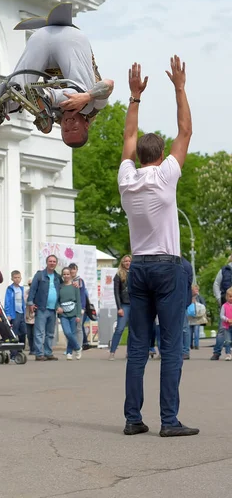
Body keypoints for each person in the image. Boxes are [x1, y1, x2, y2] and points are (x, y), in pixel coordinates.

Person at [118, 56, 199, 437]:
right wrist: (179, 87)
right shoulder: (167, 175)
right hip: (168, 267)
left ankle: (133, 419)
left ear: (139, 158)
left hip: (139, 268)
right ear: (162, 153)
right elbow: (186, 130)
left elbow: (127, 139)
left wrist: (135, 98)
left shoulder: (127, 180)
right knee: (170, 346)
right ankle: (169, 421)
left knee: (137, 349)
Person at [0, 3, 114, 147]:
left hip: (40, 37)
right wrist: (87, 96)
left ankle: (1, 107)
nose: (69, 124)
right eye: (74, 128)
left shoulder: (53, 115)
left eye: (66, 129)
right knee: (84, 101)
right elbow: (109, 85)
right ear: (86, 125)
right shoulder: (94, 108)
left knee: (17, 89)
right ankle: (46, 95)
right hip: (70, 39)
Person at [28, 254, 62, 361]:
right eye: (50, 261)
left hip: (53, 309)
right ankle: (39, 354)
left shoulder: (57, 277)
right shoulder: (39, 275)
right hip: (42, 308)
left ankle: (48, 352)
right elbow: (33, 289)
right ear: (46, 263)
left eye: (54, 262)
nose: (52, 263)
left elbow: (63, 288)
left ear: (56, 263)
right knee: (39, 332)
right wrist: (30, 303)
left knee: (50, 333)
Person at [108, 255, 131, 360]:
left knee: (133, 330)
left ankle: (130, 352)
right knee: (120, 329)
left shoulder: (135, 274)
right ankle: (112, 352)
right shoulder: (118, 275)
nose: (127, 263)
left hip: (135, 305)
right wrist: (119, 307)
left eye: (129, 261)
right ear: (122, 263)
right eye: (125, 261)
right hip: (124, 305)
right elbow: (116, 292)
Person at [57, 267, 82, 360]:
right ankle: (78, 348)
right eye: (64, 274)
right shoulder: (60, 287)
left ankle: (69, 352)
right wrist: (58, 307)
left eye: (68, 274)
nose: (66, 276)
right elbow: (57, 300)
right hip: (63, 314)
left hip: (73, 313)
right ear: (62, 275)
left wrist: (79, 315)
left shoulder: (75, 287)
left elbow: (79, 302)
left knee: (72, 333)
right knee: (67, 333)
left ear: (71, 275)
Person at [210, 256, 232, 360]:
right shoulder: (224, 270)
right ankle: (217, 352)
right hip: (226, 303)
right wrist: (219, 298)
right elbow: (216, 284)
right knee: (222, 329)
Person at [4, 270, 26, 363]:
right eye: (15, 277)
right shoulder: (10, 289)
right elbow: (7, 302)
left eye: (19, 277)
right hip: (14, 313)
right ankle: (13, 353)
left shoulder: (21, 289)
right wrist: (8, 314)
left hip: (21, 313)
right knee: (14, 333)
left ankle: (20, 350)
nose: (17, 279)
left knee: (23, 332)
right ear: (12, 278)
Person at [68, 263, 88, 349]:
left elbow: (83, 295)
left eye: (74, 269)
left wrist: (83, 307)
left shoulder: (80, 281)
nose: (72, 271)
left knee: (78, 328)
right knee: (69, 329)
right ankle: (70, 347)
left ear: (76, 270)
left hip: (78, 307)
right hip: (68, 307)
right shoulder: (66, 280)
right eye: (71, 269)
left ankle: (79, 347)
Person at [188, 285, 206, 350]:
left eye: (197, 290)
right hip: (190, 317)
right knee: (189, 332)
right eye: (195, 289)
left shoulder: (199, 297)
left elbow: (204, 305)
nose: (196, 291)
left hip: (197, 317)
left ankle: (196, 345)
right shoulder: (189, 297)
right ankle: (190, 344)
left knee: (196, 331)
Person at [220, 287, 232, 360]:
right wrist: (227, 319)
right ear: (227, 297)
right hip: (227, 326)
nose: (231, 298)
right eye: (230, 296)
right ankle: (228, 354)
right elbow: (221, 315)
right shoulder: (224, 306)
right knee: (227, 341)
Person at [24, 278, 35, 355]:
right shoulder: (26, 292)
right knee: (29, 334)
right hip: (28, 316)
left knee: (35, 334)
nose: (31, 286)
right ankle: (31, 348)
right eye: (30, 284)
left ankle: (35, 349)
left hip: (36, 316)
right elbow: (25, 301)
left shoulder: (38, 292)